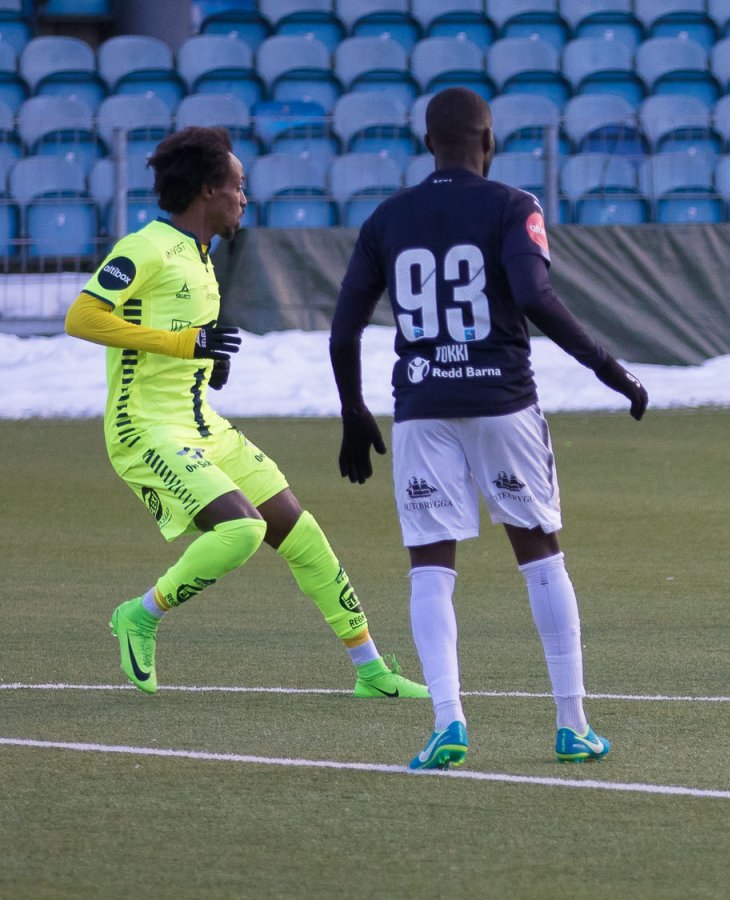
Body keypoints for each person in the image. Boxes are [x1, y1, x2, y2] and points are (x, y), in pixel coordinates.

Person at [330, 87, 649, 769]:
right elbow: (534, 295)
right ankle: (572, 724)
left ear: (428, 144)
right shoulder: (513, 205)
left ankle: (447, 720)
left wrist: (353, 411)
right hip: (502, 400)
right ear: (489, 141)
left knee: (430, 566)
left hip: (421, 408)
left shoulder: (387, 217)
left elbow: (344, 328)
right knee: (540, 555)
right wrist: (607, 367)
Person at [65, 126, 427, 700]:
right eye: (237, 186)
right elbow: (82, 318)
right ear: (208, 190)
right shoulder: (145, 248)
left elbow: (180, 341)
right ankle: (140, 614)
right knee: (242, 529)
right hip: (144, 429)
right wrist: (185, 344)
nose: (244, 198)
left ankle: (371, 671)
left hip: (200, 422)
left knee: (304, 536)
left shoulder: (202, 257)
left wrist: (207, 364)